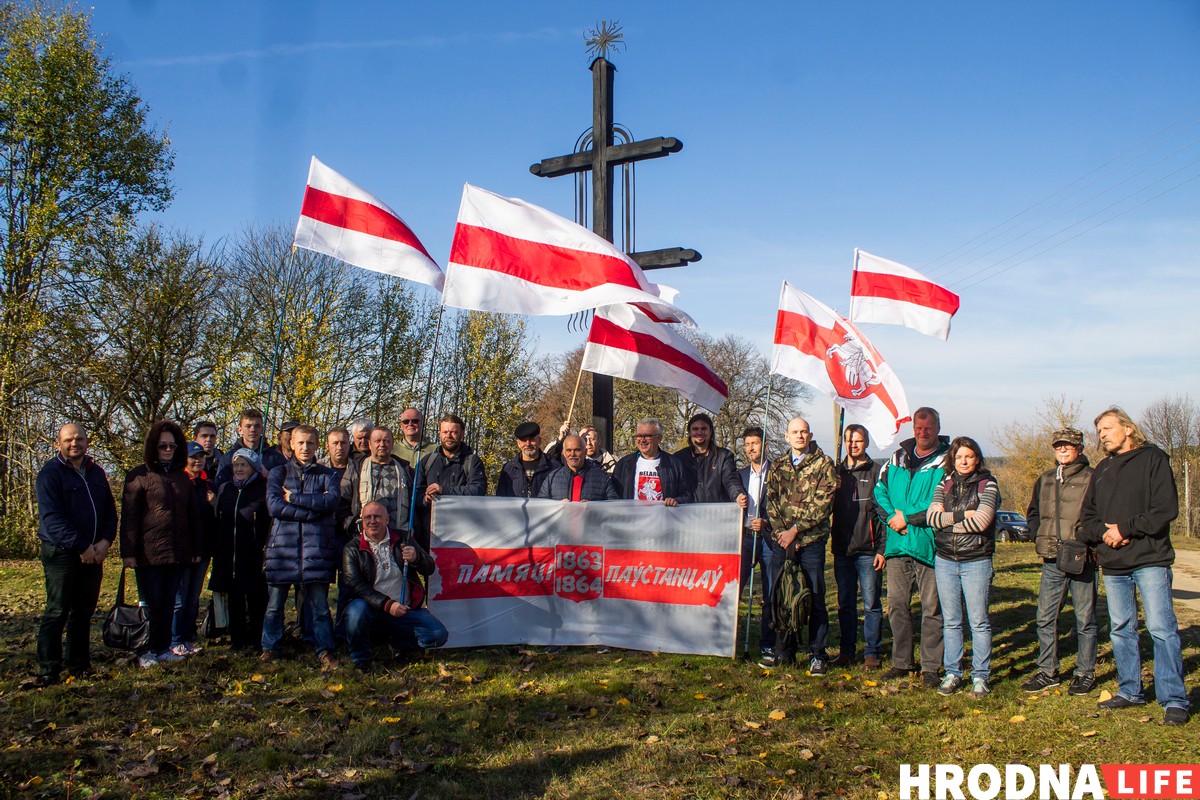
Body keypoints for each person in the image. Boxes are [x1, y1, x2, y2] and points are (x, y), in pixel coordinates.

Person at [1079, 407, 1189, 725]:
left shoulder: (1153, 458)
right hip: (1114, 564)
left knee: (1161, 629)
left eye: (1107, 428)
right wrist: (1105, 533)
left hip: (1149, 559)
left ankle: (1173, 699)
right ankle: (1130, 690)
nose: (1102, 435)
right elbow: (1086, 519)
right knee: (1121, 629)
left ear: (1127, 428)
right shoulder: (1102, 469)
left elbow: (1165, 509)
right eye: (1099, 431)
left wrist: (1124, 529)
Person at [34, 424, 118, 685]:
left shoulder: (96, 472)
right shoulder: (50, 474)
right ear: (58, 443)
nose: (74, 444)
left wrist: (105, 542)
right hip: (62, 554)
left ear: (87, 441)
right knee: (57, 611)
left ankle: (79, 665)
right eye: (69, 440)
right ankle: (48, 670)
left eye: (79, 439)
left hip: (94, 553)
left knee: (83, 612)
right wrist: (81, 546)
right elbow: (52, 519)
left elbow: (109, 511)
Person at [874, 407, 949, 687]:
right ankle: (902, 662)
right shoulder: (896, 458)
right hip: (897, 544)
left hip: (929, 545)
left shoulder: (947, 461)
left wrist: (908, 517)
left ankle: (931, 667)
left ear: (938, 428)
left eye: (928, 427)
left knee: (932, 608)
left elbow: (941, 501)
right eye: (919, 427)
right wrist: (893, 519)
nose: (923, 432)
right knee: (897, 606)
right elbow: (879, 493)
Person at [120, 420, 203, 668]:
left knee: (169, 603)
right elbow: (130, 517)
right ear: (152, 447)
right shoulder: (139, 476)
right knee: (151, 604)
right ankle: (146, 649)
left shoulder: (182, 478)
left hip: (177, 552)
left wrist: (196, 549)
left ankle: (163, 647)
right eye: (162, 446)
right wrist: (128, 552)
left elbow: (193, 516)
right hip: (149, 553)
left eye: (172, 446)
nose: (167, 450)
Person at [1022, 427, 1098, 696]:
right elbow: (1033, 512)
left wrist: (1085, 539)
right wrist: (1037, 534)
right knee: (1045, 617)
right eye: (1058, 446)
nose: (1062, 450)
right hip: (1052, 558)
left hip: (1081, 557)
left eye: (1068, 445)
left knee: (1085, 619)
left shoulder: (1092, 478)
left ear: (1080, 448)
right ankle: (1048, 671)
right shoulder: (1045, 479)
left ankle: (1085, 673)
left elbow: (1100, 515)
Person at [262, 424, 341, 669]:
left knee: (320, 607)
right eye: (301, 443)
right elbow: (274, 506)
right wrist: (312, 512)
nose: (305, 447)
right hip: (282, 550)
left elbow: (331, 501)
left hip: (317, 549)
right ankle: (270, 647)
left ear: (317, 446)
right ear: (292, 444)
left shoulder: (328, 475)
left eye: (310, 443)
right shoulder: (278, 473)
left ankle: (324, 648)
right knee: (274, 606)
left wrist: (294, 498)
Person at [926, 436, 1000, 698]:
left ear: (977, 458)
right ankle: (953, 673)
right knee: (951, 622)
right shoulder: (944, 484)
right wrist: (961, 516)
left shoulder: (987, 484)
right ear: (952, 460)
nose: (964, 461)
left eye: (969, 456)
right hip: (945, 560)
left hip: (976, 560)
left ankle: (980, 676)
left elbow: (982, 521)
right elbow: (931, 519)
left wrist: (947, 523)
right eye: (959, 457)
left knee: (978, 622)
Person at [764, 417, 837, 674]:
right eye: (794, 432)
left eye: (804, 431)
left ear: (810, 435)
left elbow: (823, 504)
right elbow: (771, 502)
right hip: (782, 542)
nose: (799, 436)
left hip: (811, 542)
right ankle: (784, 652)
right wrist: (783, 534)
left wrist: (795, 531)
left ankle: (817, 654)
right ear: (787, 437)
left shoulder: (823, 464)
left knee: (814, 598)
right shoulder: (778, 465)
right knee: (782, 597)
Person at [340, 501, 448, 672]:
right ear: (362, 520)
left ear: (387, 519)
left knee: (438, 635)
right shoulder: (352, 548)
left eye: (377, 517)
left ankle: (398, 644)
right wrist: (387, 604)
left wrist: (417, 558)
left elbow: (430, 568)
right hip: (371, 610)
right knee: (355, 612)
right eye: (368, 517)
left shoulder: (404, 538)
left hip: (404, 610)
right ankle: (360, 659)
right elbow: (355, 584)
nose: (372, 521)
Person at [831, 424, 885, 668]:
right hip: (842, 549)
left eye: (858, 440)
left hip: (868, 550)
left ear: (866, 443)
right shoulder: (837, 472)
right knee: (845, 604)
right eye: (849, 440)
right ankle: (847, 651)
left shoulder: (876, 472)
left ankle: (871, 652)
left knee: (871, 604)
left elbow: (884, 514)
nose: (853, 445)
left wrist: (882, 549)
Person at [209, 448, 271, 651]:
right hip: (229, 554)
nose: (239, 469)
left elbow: (268, 521)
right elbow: (218, 519)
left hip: (253, 554)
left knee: (256, 599)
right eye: (236, 465)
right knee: (234, 599)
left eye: (244, 465)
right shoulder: (226, 489)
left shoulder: (262, 489)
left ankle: (257, 639)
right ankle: (237, 640)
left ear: (253, 467)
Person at [738, 426, 781, 668]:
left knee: (770, 591)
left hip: (767, 538)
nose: (750, 448)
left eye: (754, 443)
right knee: (735, 587)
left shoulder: (776, 473)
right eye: (747, 444)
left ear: (764, 445)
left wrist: (766, 521)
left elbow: (783, 507)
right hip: (744, 538)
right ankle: (731, 638)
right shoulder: (740, 475)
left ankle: (768, 644)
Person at [414, 414, 487, 550]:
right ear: (439, 433)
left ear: (462, 434)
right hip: (430, 536)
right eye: (445, 432)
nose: (449, 436)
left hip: (463, 536)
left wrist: (443, 490)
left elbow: (477, 490)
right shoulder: (427, 461)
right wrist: (425, 499)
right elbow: (414, 495)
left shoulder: (472, 461)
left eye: (454, 432)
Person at [170, 442, 216, 657]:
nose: (198, 461)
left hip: (204, 548)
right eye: (193, 457)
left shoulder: (207, 484)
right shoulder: (178, 482)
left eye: (201, 457)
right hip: (184, 550)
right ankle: (174, 638)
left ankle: (187, 636)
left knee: (193, 597)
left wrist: (214, 503)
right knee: (179, 597)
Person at [340, 425, 414, 540]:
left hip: (398, 537)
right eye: (377, 441)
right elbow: (342, 501)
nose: (382, 444)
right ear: (370, 444)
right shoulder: (356, 469)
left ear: (392, 444)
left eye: (386, 441)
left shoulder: (406, 470)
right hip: (364, 538)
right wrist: (350, 526)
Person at [674, 413, 747, 507]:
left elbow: (730, 479)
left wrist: (737, 495)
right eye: (695, 429)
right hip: (687, 513)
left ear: (711, 431)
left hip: (717, 513)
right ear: (689, 432)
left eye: (704, 428)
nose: (699, 432)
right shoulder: (678, 458)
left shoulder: (724, 456)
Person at [613, 419, 692, 505]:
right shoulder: (624, 464)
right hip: (632, 513)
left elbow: (686, 495)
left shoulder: (674, 464)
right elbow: (614, 495)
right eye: (639, 436)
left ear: (659, 439)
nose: (642, 440)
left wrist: (676, 501)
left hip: (663, 513)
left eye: (647, 436)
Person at [538, 435, 619, 501]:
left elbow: (613, 505)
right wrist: (558, 507)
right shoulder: (552, 478)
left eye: (577, 450)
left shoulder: (601, 477)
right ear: (564, 453)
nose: (572, 454)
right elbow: (541, 506)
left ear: (585, 452)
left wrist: (593, 508)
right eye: (569, 450)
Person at [215, 408, 285, 484]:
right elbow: (220, 485)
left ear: (262, 429)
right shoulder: (228, 459)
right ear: (240, 430)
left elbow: (286, 484)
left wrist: (268, 475)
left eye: (257, 426)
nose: (253, 430)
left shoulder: (275, 458)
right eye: (248, 426)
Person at [496, 421, 558, 499]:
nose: (528, 444)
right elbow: (500, 499)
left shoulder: (553, 467)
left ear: (539, 440)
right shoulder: (508, 469)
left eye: (532, 439)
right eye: (524, 440)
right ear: (518, 443)